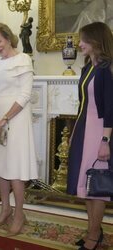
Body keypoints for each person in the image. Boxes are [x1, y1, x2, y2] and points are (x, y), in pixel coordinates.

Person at [0, 23, 38, 236]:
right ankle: (5, 208)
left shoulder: (23, 59)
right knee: (1, 166)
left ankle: (18, 214)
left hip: (16, 119)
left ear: (8, 37)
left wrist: (5, 118)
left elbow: (25, 95)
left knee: (15, 168)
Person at [67, 22, 113, 250]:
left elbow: (110, 108)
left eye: (83, 40)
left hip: (101, 132)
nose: (80, 44)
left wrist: (106, 141)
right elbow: (82, 105)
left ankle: (94, 237)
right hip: (84, 130)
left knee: (97, 189)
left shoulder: (107, 68)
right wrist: (74, 132)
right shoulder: (88, 68)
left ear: (95, 41)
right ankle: (95, 230)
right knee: (85, 185)